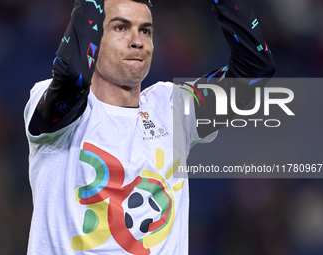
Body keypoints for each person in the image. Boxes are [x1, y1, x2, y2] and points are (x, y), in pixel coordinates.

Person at [24, 0, 275, 254]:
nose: (137, 41)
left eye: (145, 30)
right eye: (120, 28)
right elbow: (74, 76)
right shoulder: (56, 108)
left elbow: (255, 71)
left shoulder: (172, 109)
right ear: (93, 38)